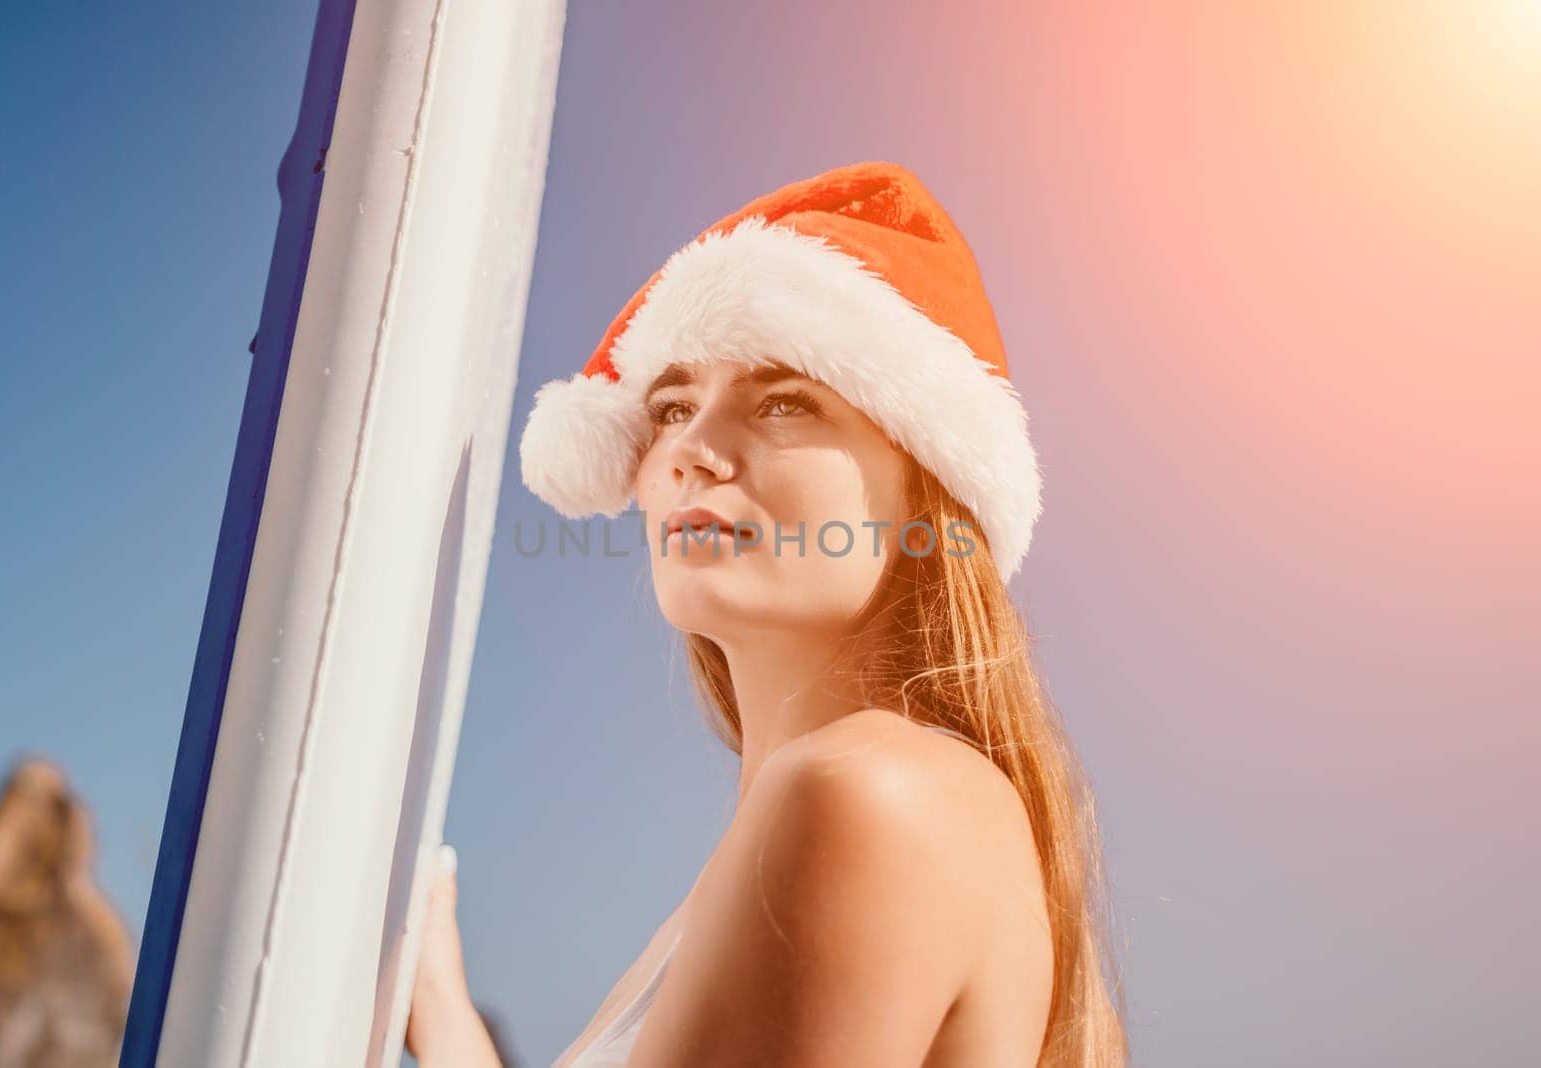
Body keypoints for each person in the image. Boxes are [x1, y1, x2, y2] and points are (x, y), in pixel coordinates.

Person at [406, 161, 1127, 1066]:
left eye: (787, 401)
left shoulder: (858, 796)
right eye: (671, 406)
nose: (691, 450)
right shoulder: (840, 812)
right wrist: (438, 1013)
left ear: (927, 494)